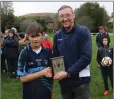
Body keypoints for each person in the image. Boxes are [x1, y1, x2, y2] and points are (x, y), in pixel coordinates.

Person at [53, 5, 92, 99]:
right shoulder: (57, 35)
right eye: (61, 16)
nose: (65, 19)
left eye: (68, 15)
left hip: (81, 82)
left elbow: (86, 58)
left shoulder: (83, 31)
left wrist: (67, 73)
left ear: (73, 15)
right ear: (59, 18)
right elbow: (55, 57)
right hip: (64, 83)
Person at [17, 23, 53, 99]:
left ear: (42, 35)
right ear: (28, 36)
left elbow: (50, 74)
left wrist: (51, 95)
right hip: (29, 95)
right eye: (32, 36)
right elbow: (23, 78)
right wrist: (42, 72)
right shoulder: (24, 53)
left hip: (46, 94)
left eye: (38, 35)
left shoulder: (48, 52)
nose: (35, 39)